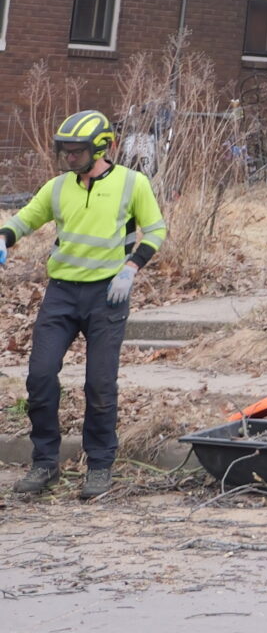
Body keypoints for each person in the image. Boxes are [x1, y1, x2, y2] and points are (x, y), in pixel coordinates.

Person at [2, 111, 167, 500]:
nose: (70, 158)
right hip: (61, 293)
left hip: (107, 295)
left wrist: (130, 269)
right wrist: (5, 237)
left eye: (77, 152)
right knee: (40, 378)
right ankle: (44, 464)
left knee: (100, 384)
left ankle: (99, 467)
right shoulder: (59, 187)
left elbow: (156, 230)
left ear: (102, 148)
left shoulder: (132, 183)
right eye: (65, 151)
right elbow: (26, 219)